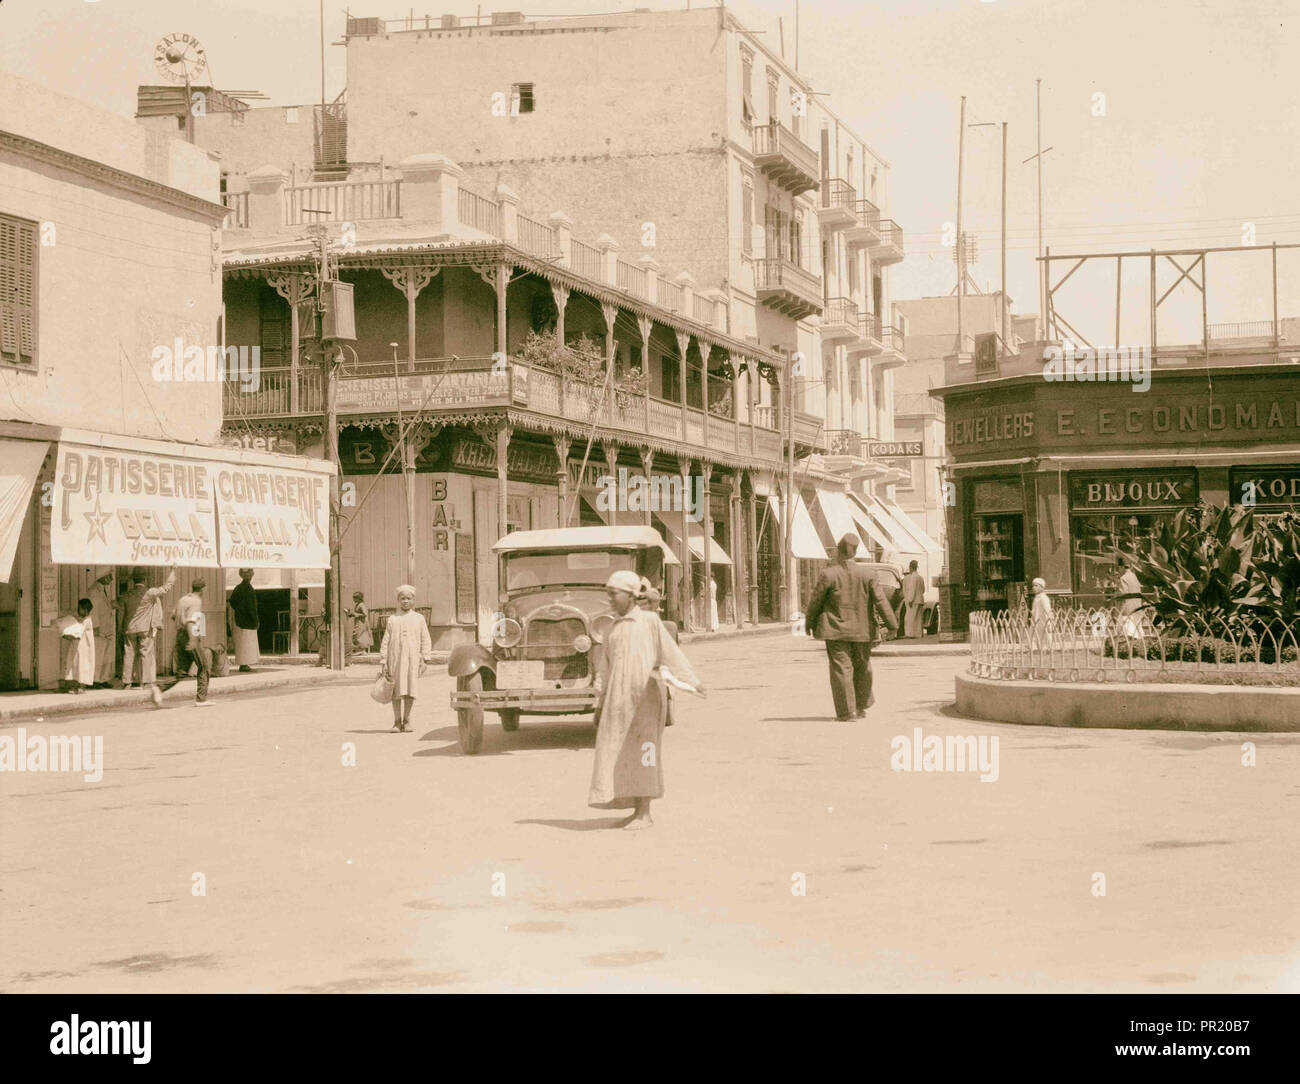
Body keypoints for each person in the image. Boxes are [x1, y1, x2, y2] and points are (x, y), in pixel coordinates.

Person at [589, 569, 704, 830]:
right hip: (617, 702)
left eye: (613, 594)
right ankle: (634, 810)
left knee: (645, 754)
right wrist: (600, 702)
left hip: (645, 699)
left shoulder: (650, 622)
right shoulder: (612, 629)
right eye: (607, 594)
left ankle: (645, 813)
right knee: (621, 754)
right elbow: (604, 669)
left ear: (630, 595)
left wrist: (692, 682)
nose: (609, 599)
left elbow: (672, 654)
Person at [804, 534, 898, 721]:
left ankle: (848, 712)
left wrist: (809, 623)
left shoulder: (828, 574)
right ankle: (861, 707)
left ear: (839, 552)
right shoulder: (868, 575)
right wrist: (892, 625)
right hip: (863, 631)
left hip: (836, 631)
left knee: (842, 669)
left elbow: (816, 602)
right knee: (862, 667)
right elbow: (881, 601)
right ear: (855, 552)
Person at [379, 585, 433, 732]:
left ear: (413, 600)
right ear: (398, 600)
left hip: (412, 660)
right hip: (395, 659)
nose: (405, 601)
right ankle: (397, 722)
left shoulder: (419, 619)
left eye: (408, 598)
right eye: (402, 598)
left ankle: (407, 720)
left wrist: (425, 659)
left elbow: (425, 639)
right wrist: (384, 661)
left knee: (410, 689)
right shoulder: (393, 619)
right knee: (395, 691)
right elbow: (386, 640)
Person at [119, 568, 176, 694]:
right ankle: (145, 681)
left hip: (130, 629)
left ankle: (127, 682)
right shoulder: (149, 593)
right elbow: (167, 587)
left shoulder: (127, 595)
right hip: (145, 629)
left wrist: (122, 628)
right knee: (146, 654)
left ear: (133, 580)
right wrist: (172, 571)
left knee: (129, 655)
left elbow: (121, 612)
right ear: (144, 579)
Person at [57, 599, 95, 694]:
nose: (78, 610)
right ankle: (73, 684)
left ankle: (82, 686)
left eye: (80, 609)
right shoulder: (80, 620)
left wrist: (66, 634)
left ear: (86, 610)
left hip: (84, 648)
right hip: (76, 647)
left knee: (83, 666)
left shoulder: (87, 621)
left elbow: (77, 632)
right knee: (74, 665)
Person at [87, 569, 116, 687]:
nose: (111, 579)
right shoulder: (94, 591)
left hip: (107, 627)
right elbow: (93, 610)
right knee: (98, 654)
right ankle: (95, 680)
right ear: (102, 576)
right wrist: (95, 626)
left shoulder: (104, 590)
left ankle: (103, 679)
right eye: (109, 576)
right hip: (99, 628)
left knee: (106, 655)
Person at [227, 569, 260, 672]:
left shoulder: (238, 588)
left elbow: (232, 601)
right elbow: (252, 607)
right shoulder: (249, 589)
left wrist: (239, 609)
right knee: (247, 643)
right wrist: (255, 620)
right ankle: (244, 664)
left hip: (239, 619)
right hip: (248, 621)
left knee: (242, 643)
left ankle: (243, 664)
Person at [174, 579, 206, 676]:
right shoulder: (196, 601)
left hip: (180, 635)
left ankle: (161, 689)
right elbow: (190, 621)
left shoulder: (183, 599)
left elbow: (173, 615)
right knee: (203, 666)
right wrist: (192, 640)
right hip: (190, 635)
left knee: (182, 670)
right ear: (201, 590)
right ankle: (202, 691)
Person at [901, 560, 926, 639]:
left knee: (909, 617)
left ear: (911, 567)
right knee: (918, 618)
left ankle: (910, 634)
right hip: (920, 599)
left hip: (913, 600)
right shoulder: (920, 577)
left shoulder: (913, 577)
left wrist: (910, 600)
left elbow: (912, 589)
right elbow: (923, 589)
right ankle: (918, 634)